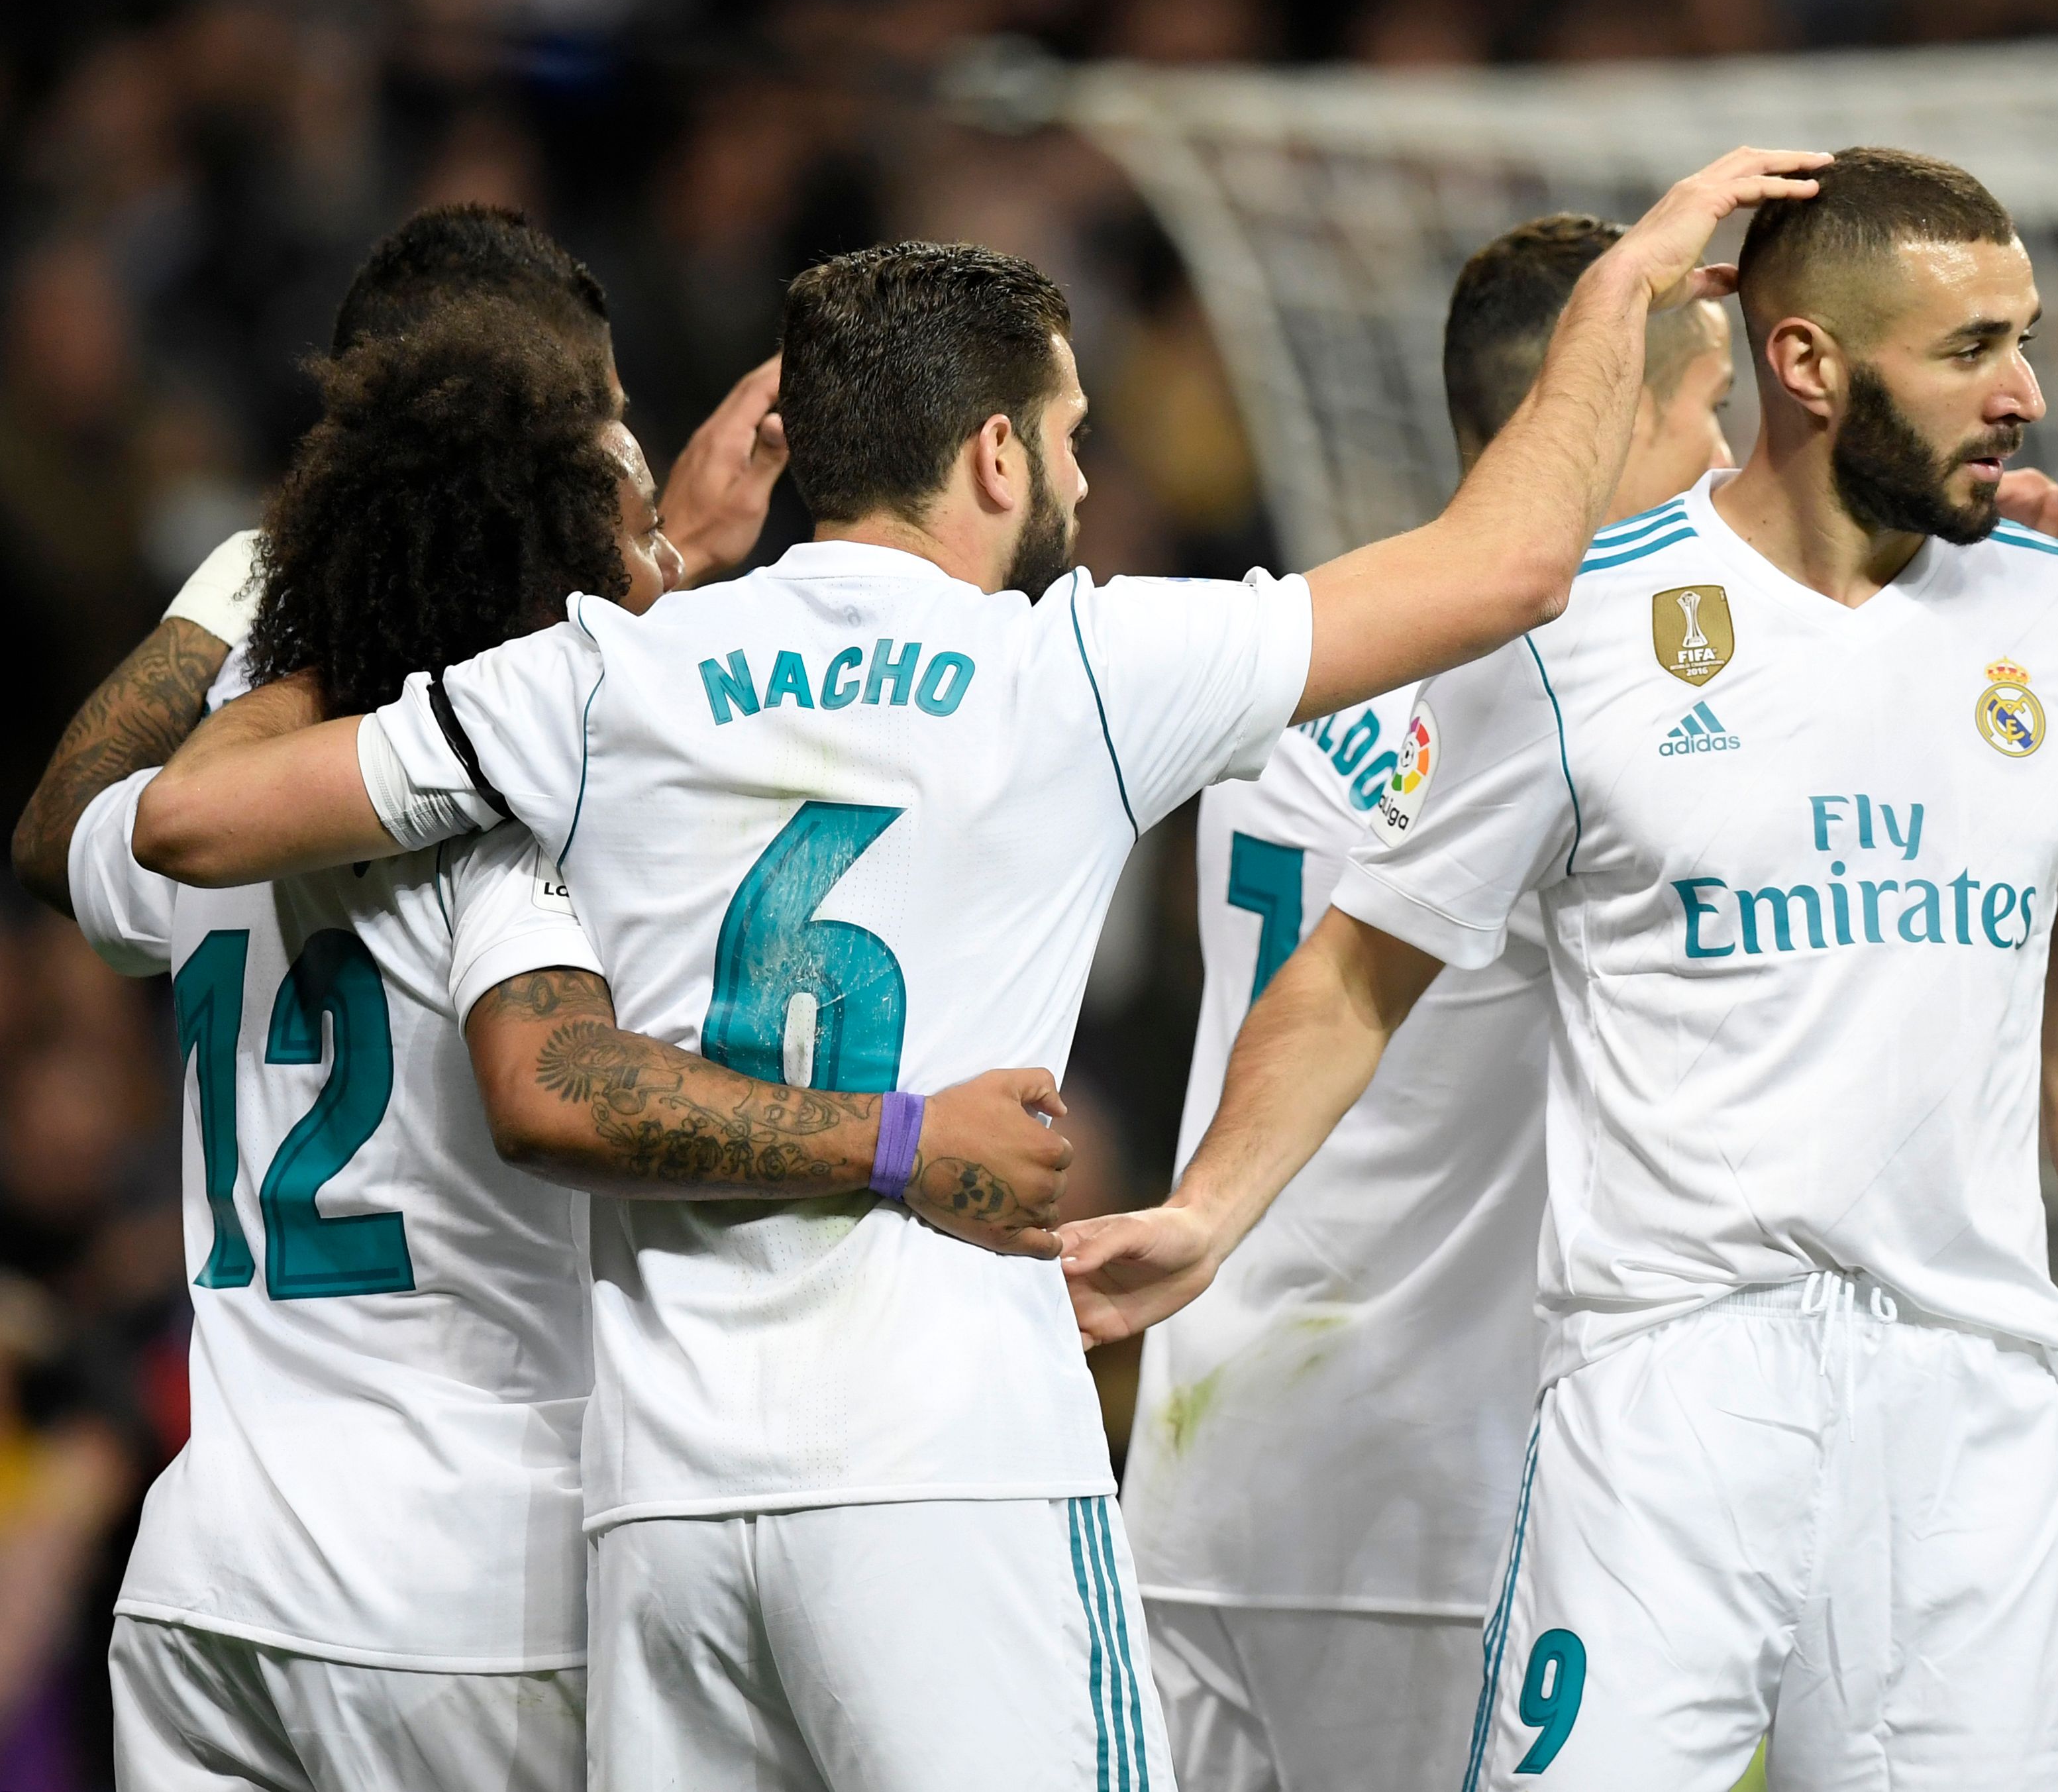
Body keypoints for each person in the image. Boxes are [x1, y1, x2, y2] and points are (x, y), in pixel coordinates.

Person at [129, 147, 1829, 1791]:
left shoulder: (597, 676)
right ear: (997, 456)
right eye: (1072, 437)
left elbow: (187, 824)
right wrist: (1622, 291)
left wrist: (484, 579)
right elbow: (1514, 566)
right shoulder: (1075, 670)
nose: (1086, 481)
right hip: (947, 1470)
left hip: (660, 1507)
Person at [1060, 145, 2058, 1789]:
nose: (2024, 390)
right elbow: (1356, 972)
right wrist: (1206, 1213)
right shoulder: (1574, 629)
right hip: (1666, 1391)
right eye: (1970, 349)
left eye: (2019, 336)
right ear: (1803, 365)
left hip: (1978, 1405)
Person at [59, 299, 1056, 1792]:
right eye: (627, 535)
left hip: (206, 1579)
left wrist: (261, 580)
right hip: (465, 1587)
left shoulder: (183, 835)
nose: (646, 573)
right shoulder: (506, 827)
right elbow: (547, 1079)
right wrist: (900, 1140)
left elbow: (61, 824)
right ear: (537, 578)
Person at [1125, 210, 1736, 1790]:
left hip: (1205, 1460)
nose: (1727, 457)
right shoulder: (1577, 698)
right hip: (1419, 1494)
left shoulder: (1293, 650)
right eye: (1701, 409)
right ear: (1594, 410)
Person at [10, 201, 792, 923]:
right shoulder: (532, 748)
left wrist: (251, 578)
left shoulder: (234, 751)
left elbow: (63, 844)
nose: (613, 457)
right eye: (592, 419)